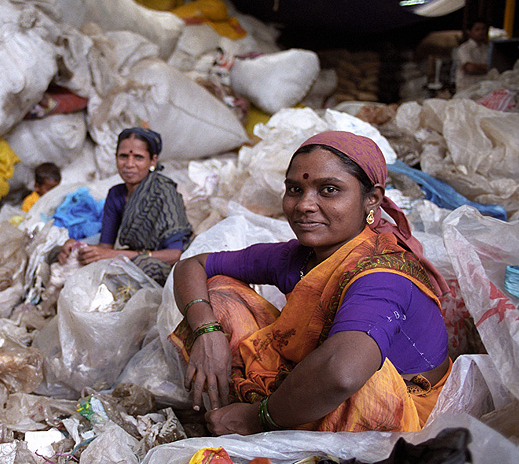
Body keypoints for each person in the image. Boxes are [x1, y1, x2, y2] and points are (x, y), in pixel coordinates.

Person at [170, 130, 451, 435]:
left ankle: (255, 417)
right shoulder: (300, 256)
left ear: (372, 200)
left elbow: (342, 375)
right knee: (220, 294)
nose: (305, 204)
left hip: (391, 411)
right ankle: (256, 410)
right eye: (295, 189)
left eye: (329, 190)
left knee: (356, 379)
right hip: (327, 378)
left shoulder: (382, 273)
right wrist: (207, 332)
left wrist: (257, 418)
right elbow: (192, 265)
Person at [57, 127, 192, 285]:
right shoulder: (116, 195)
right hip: (132, 258)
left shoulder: (165, 193)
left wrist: (118, 255)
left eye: (138, 157)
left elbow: (175, 254)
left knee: (142, 266)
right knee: (60, 255)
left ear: (153, 161)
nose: (129, 164)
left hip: (168, 266)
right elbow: (105, 248)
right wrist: (79, 247)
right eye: (123, 156)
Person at [455, 19, 490, 93]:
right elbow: (470, 68)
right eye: (477, 29)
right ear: (469, 32)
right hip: (466, 90)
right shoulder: (464, 48)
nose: (481, 32)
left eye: (483, 29)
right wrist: (487, 68)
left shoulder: (487, 48)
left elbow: (494, 67)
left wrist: (479, 67)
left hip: (482, 90)